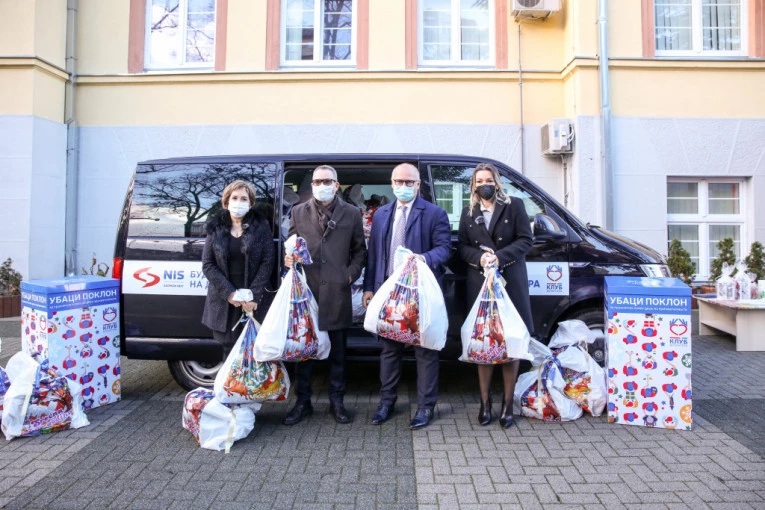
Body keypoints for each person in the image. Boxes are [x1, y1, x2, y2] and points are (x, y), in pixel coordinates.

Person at [362, 163, 451, 430]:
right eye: (398, 181)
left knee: (425, 351)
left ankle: (425, 407)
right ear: (391, 183)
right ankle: (386, 402)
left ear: (418, 184)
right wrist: (369, 287)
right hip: (389, 293)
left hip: (419, 294)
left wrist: (423, 258)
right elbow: (373, 254)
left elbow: (444, 249)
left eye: (409, 182)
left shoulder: (434, 213)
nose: (403, 186)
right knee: (389, 351)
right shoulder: (381, 214)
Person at [283, 165, 367, 425]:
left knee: (338, 353)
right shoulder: (298, 211)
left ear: (336, 185)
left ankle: (337, 402)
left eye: (327, 181)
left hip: (337, 292)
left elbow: (360, 251)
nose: (321, 185)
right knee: (304, 351)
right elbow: (292, 244)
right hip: (307, 293)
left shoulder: (351, 213)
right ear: (312, 185)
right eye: (317, 181)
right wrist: (289, 258)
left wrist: (349, 275)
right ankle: (302, 402)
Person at [457, 163, 534, 428]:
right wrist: (480, 258)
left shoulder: (514, 205)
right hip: (480, 285)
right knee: (484, 343)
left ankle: (507, 406)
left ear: (497, 182)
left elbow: (526, 240)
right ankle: (485, 404)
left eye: (488, 180)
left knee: (510, 341)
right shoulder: (469, 211)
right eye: (479, 181)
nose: (484, 185)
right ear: (473, 185)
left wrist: (499, 257)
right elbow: (462, 246)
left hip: (509, 282)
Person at [202, 180, 275, 353]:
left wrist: (253, 295)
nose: (238, 202)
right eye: (234, 198)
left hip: (253, 299)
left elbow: (268, 261)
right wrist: (230, 293)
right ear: (226, 201)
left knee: (254, 350)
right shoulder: (216, 227)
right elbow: (208, 264)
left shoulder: (261, 226)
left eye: (244, 199)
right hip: (225, 299)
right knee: (229, 351)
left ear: (251, 203)